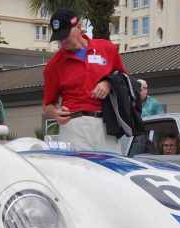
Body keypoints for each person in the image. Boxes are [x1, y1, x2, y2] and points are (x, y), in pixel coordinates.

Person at [42, 9, 126, 152]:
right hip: (74, 124)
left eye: (66, 34)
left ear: (79, 27)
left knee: (110, 171)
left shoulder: (106, 48)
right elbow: (47, 104)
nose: (63, 41)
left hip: (107, 124)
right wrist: (55, 114)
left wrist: (109, 83)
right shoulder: (53, 65)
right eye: (59, 37)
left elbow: (124, 78)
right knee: (76, 172)